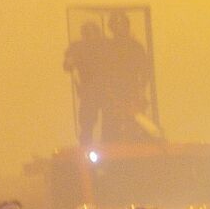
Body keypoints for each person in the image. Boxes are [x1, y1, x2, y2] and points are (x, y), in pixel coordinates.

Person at [102, 11, 153, 143]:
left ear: (127, 27)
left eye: (122, 25)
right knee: (111, 121)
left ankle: (137, 142)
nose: (119, 29)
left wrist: (141, 88)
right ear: (111, 27)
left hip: (132, 90)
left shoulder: (135, 47)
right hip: (112, 91)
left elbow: (145, 70)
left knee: (135, 120)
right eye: (116, 26)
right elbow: (101, 70)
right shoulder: (106, 47)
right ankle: (110, 144)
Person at [63, 21, 108, 145]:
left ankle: (108, 141)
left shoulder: (106, 46)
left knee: (110, 117)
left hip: (107, 88)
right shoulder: (78, 47)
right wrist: (71, 60)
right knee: (87, 120)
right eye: (88, 33)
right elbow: (67, 65)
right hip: (89, 88)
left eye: (93, 33)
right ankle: (86, 142)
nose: (91, 37)